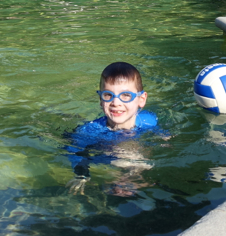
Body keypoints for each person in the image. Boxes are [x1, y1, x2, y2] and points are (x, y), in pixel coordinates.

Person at [65, 62, 158, 195]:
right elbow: (75, 151)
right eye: (108, 95)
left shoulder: (149, 121)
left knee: (143, 163)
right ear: (100, 100)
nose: (116, 103)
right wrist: (82, 175)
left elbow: (160, 134)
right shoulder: (90, 131)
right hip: (102, 155)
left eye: (126, 95)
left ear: (141, 100)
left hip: (130, 153)